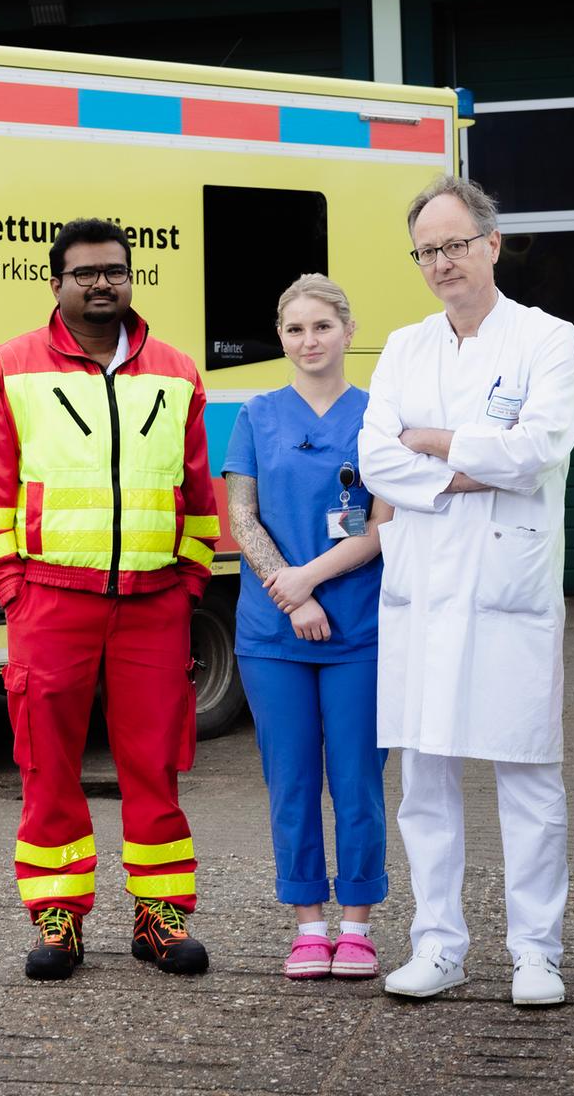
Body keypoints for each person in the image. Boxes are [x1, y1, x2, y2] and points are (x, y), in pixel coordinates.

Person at [0, 218, 219, 981]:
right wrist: (13, 586)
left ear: (131, 279)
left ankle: (160, 914)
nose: (101, 283)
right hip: (50, 599)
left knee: (155, 764)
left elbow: (196, 488)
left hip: (154, 602)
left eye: (114, 271)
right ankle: (57, 916)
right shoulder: (10, 365)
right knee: (48, 765)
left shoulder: (177, 371)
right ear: (57, 283)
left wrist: (191, 580)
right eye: (85, 273)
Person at [358, 176, 574, 1006]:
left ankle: (536, 952)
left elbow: (541, 448)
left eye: (456, 244)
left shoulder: (547, 339)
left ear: (492, 244)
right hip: (424, 591)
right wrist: (466, 467)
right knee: (425, 778)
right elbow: (377, 458)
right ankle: (439, 945)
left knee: (528, 774)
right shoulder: (404, 345)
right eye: (428, 250)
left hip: (507, 589)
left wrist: (438, 446)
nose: (443, 262)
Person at [224, 275, 391, 980]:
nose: (308, 341)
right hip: (273, 636)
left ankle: (356, 924)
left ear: (349, 331)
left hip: (360, 629)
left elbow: (386, 524)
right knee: (290, 780)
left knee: (358, 780)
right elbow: (242, 516)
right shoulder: (257, 415)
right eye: (294, 330)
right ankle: (307, 923)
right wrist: (292, 598)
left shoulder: (380, 416)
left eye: (321, 326)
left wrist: (312, 581)